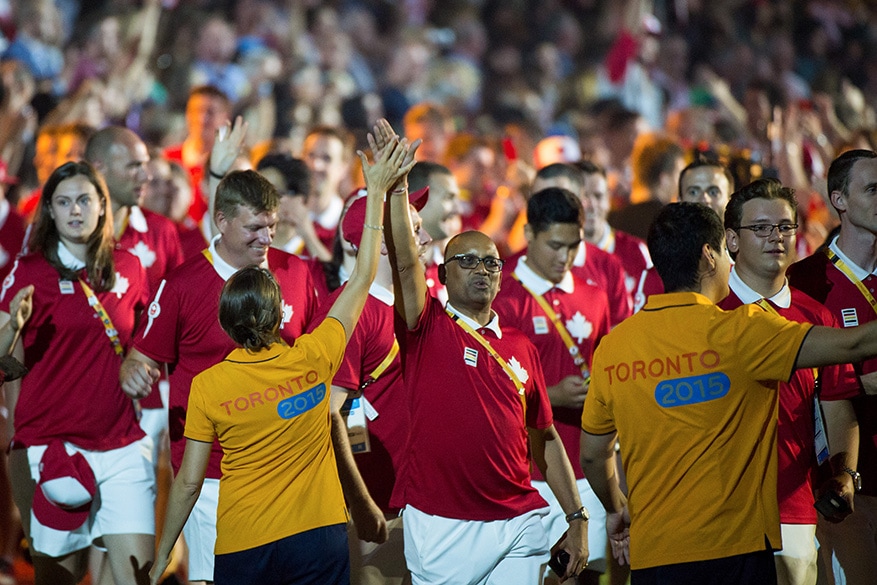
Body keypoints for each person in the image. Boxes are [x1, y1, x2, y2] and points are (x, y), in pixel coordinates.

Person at [149, 135, 415, 585]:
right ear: (281, 313)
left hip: (243, 542)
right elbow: (361, 278)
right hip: (318, 536)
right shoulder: (315, 357)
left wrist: (162, 557)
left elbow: (190, 484)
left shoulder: (208, 387)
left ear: (226, 323)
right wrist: (377, 193)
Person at [580, 202, 877, 585]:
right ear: (709, 255)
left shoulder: (615, 347)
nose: (730, 264)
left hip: (655, 555)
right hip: (736, 552)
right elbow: (855, 345)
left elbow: (593, 455)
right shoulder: (743, 332)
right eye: (724, 251)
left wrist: (616, 507)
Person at [378, 119, 588, 584]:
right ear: (445, 273)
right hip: (439, 525)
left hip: (516, 519)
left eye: (491, 262)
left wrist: (577, 518)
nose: (481, 269)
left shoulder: (520, 345)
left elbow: (546, 436)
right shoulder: (425, 323)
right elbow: (406, 259)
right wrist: (395, 189)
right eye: (467, 260)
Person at [120, 168, 320, 584]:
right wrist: (135, 373)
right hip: (213, 475)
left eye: (272, 227)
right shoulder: (183, 285)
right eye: (253, 228)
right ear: (221, 221)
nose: (266, 239)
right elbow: (140, 358)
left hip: (286, 471)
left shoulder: (296, 273)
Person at [0, 161, 153, 585]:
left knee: (137, 577)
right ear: (49, 210)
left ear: (103, 206)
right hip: (51, 447)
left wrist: (139, 365)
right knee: (63, 578)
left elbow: (146, 345)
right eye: (63, 202)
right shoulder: (28, 270)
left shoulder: (132, 267)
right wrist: (12, 325)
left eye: (84, 200)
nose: (75, 211)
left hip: (122, 444)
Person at [719, 178, 859, 585]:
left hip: (794, 508)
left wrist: (845, 476)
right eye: (761, 228)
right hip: (716, 509)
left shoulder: (817, 316)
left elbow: (835, 405)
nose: (775, 237)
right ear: (731, 239)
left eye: (785, 227)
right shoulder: (710, 314)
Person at [314, 183, 431, 585]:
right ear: (380, 242)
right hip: (373, 506)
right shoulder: (350, 312)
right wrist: (361, 503)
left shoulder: (422, 304)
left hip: (422, 498)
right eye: (413, 229)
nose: (427, 238)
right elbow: (324, 415)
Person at [493, 187, 611, 585]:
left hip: (588, 463)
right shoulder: (500, 293)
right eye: (555, 246)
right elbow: (486, 382)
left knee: (588, 574)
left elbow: (607, 362)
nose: (565, 258)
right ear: (528, 234)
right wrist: (551, 396)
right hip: (527, 470)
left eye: (574, 246)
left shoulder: (594, 293)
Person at [787, 149, 877, 585]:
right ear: (839, 200)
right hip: (845, 484)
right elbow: (798, 379)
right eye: (873, 189)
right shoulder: (807, 280)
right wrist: (861, 383)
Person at [526, 163, 632, 326]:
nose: (545, 209)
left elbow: (620, 335)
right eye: (539, 199)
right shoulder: (507, 274)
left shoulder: (607, 266)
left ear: (582, 200)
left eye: (558, 199)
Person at [575, 160, 662, 313]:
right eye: (583, 196)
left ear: (609, 199)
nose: (591, 205)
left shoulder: (637, 252)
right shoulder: (561, 257)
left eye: (598, 196)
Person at [302, 125, 354, 251]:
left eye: (327, 158)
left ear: (343, 167)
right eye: (311, 155)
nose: (316, 165)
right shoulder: (282, 217)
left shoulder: (349, 225)